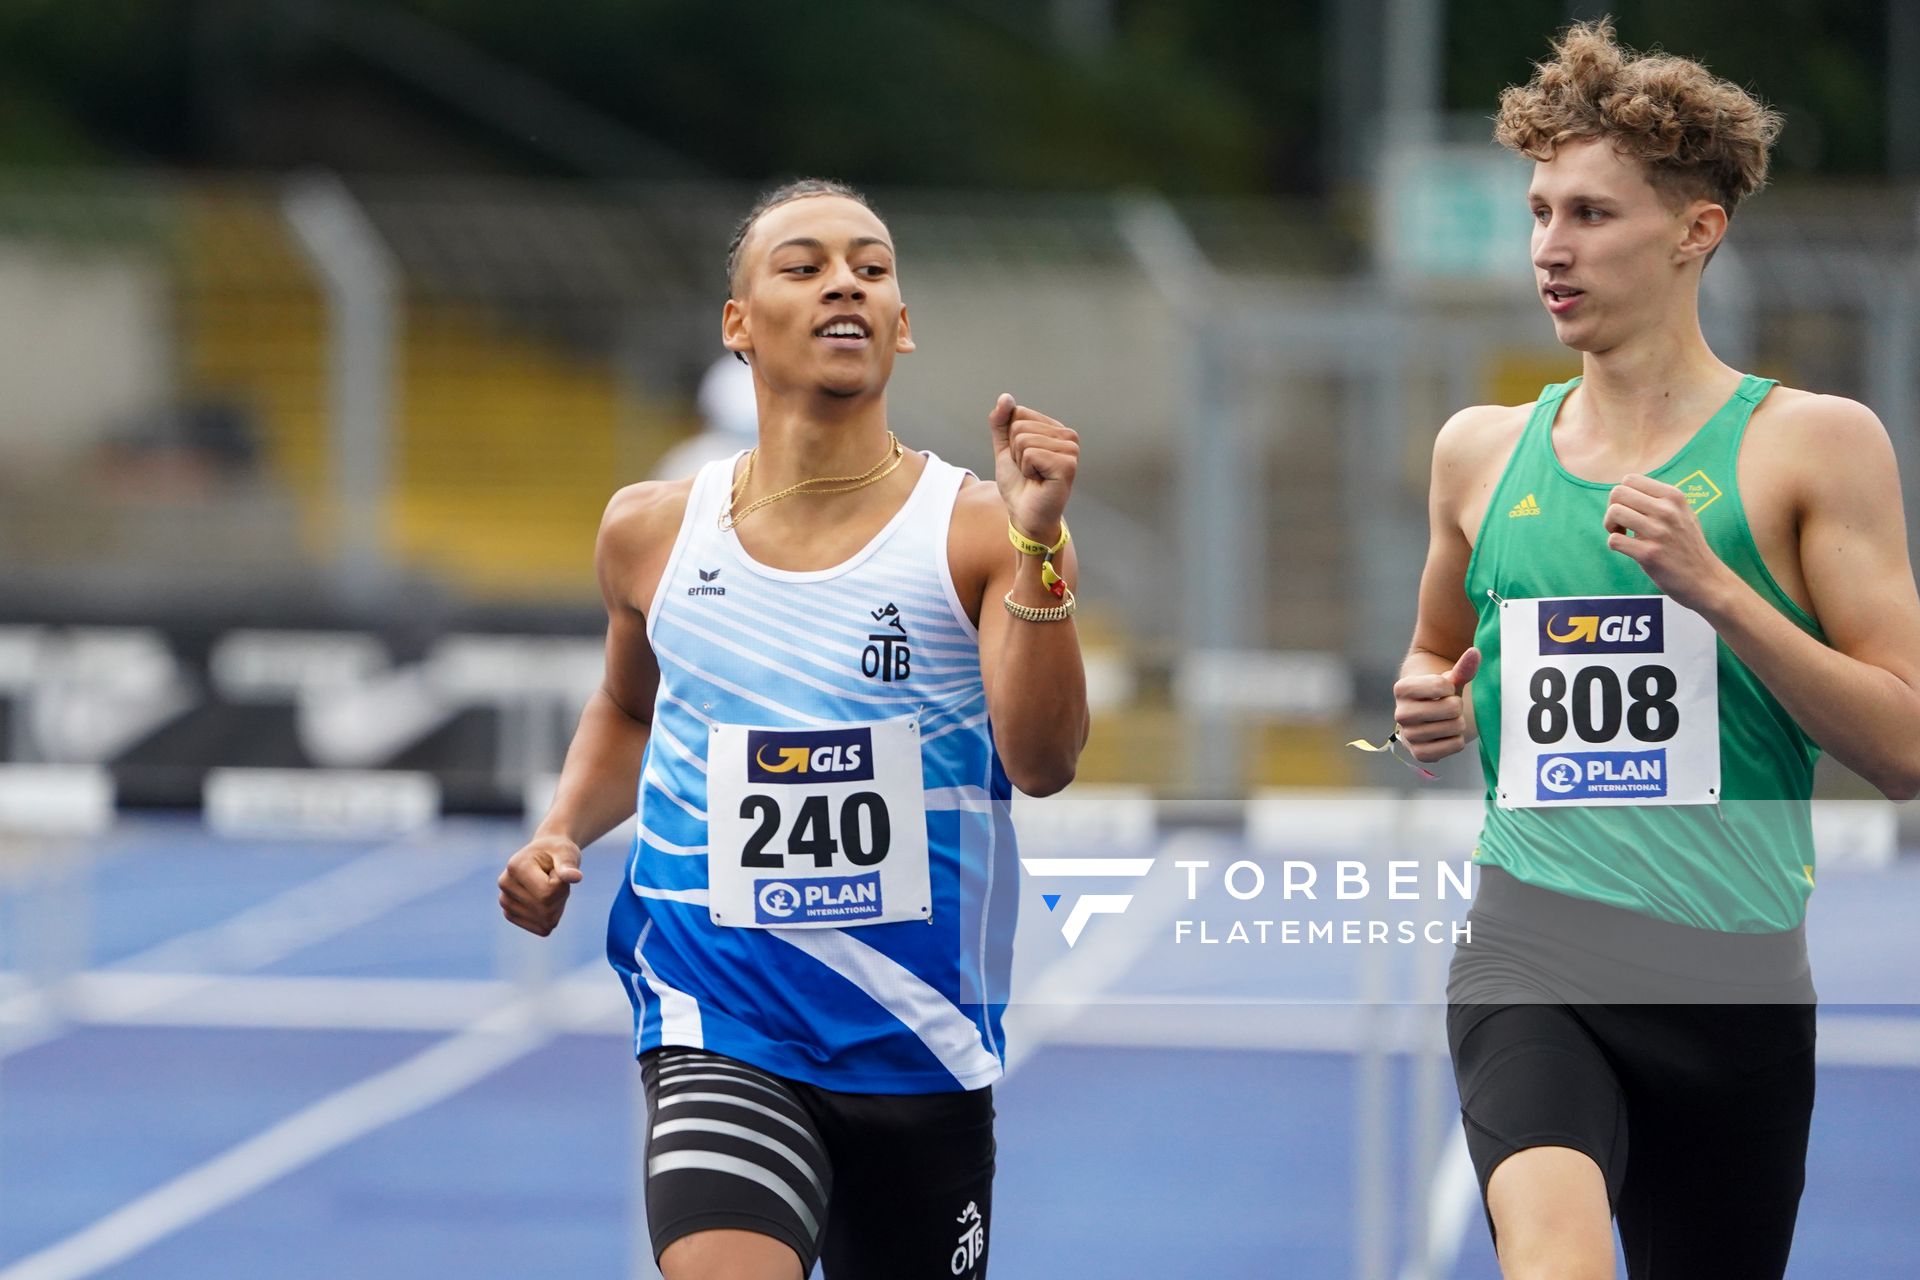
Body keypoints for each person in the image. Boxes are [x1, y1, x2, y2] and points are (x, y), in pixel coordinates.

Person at [1389, 20, 1920, 1280]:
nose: (1549, 249)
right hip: (1531, 947)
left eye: (1591, 214)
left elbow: (1905, 746)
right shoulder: (1477, 450)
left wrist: (1718, 591)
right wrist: (1425, 703)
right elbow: (1428, 654)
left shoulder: (1813, 445)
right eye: (1538, 211)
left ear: (1695, 232)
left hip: (1732, 980)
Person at [497, 177, 1088, 1280]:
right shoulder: (649, 530)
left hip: (918, 1047)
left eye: (870, 266)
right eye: (805, 265)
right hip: (721, 1020)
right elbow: (630, 705)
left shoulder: (979, 532)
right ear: (738, 325)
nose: (844, 284)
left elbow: (1044, 762)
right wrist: (560, 826)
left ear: (901, 325)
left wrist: (1044, 547)